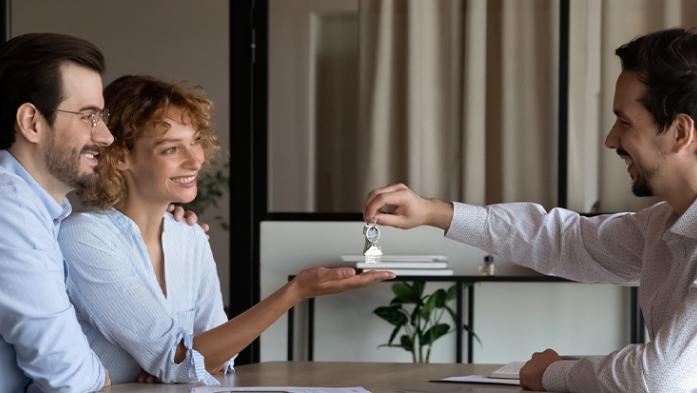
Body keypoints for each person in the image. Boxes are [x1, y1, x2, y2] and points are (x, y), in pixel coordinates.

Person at [364, 27, 697, 392]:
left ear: (680, 132)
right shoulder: (665, 224)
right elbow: (564, 240)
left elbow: (659, 377)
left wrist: (552, 374)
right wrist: (433, 212)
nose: (610, 140)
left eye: (625, 122)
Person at [58, 75, 395, 385]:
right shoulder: (84, 237)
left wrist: (186, 361)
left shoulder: (189, 237)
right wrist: (295, 292)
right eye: (171, 149)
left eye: (196, 141)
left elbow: (219, 359)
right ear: (119, 157)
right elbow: (182, 361)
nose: (195, 160)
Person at [0, 32, 114, 393]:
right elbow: (70, 378)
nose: (107, 136)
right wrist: (99, 377)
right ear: (32, 122)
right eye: (89, 117)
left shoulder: (36, 209)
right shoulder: (8, 207)